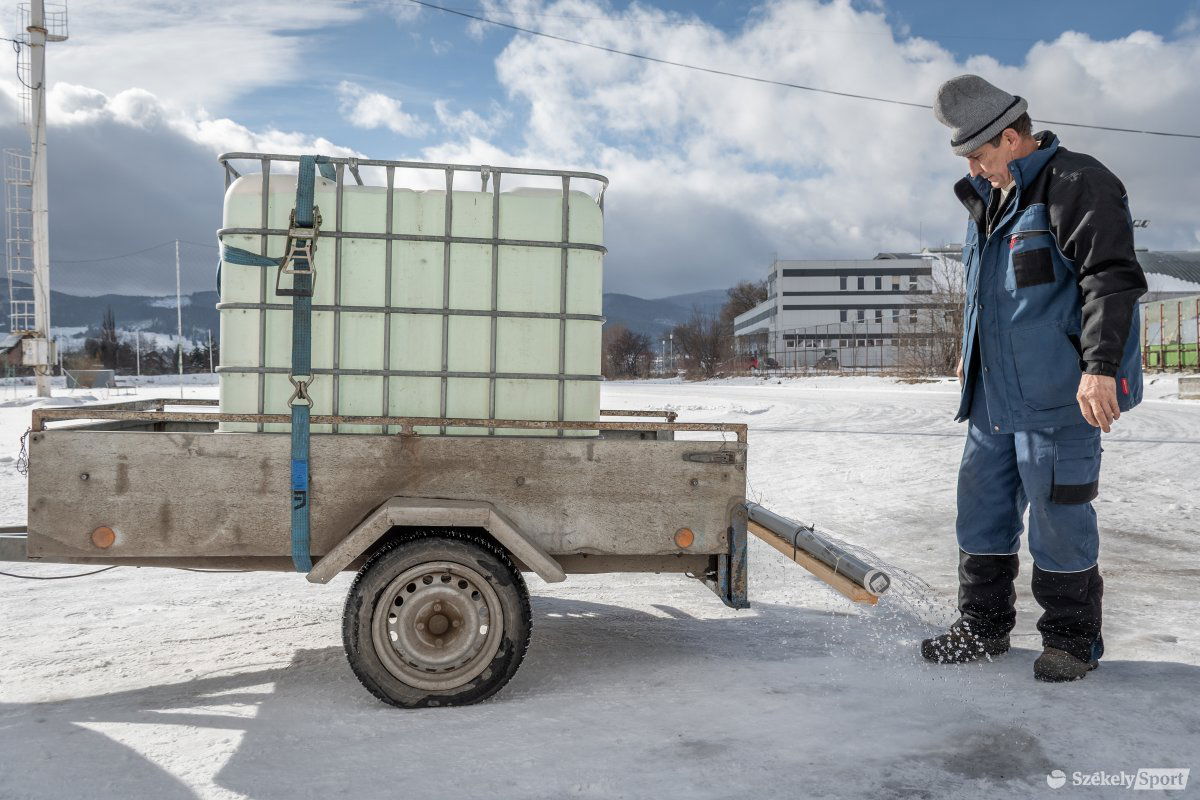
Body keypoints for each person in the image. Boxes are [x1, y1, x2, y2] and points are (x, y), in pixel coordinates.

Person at [922, 75, 1147, 682]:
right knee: (981, 512)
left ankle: (1072, 641)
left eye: (980, 153)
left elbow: (1111, 279)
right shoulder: (988, 200)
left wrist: (1099, 369)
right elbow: (990, 300)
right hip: (992, 398)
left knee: (1059, 519)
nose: (974, 166)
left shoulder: (1076, 182)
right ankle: (982, 627)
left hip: (1056, 398)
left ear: (1014, 136)